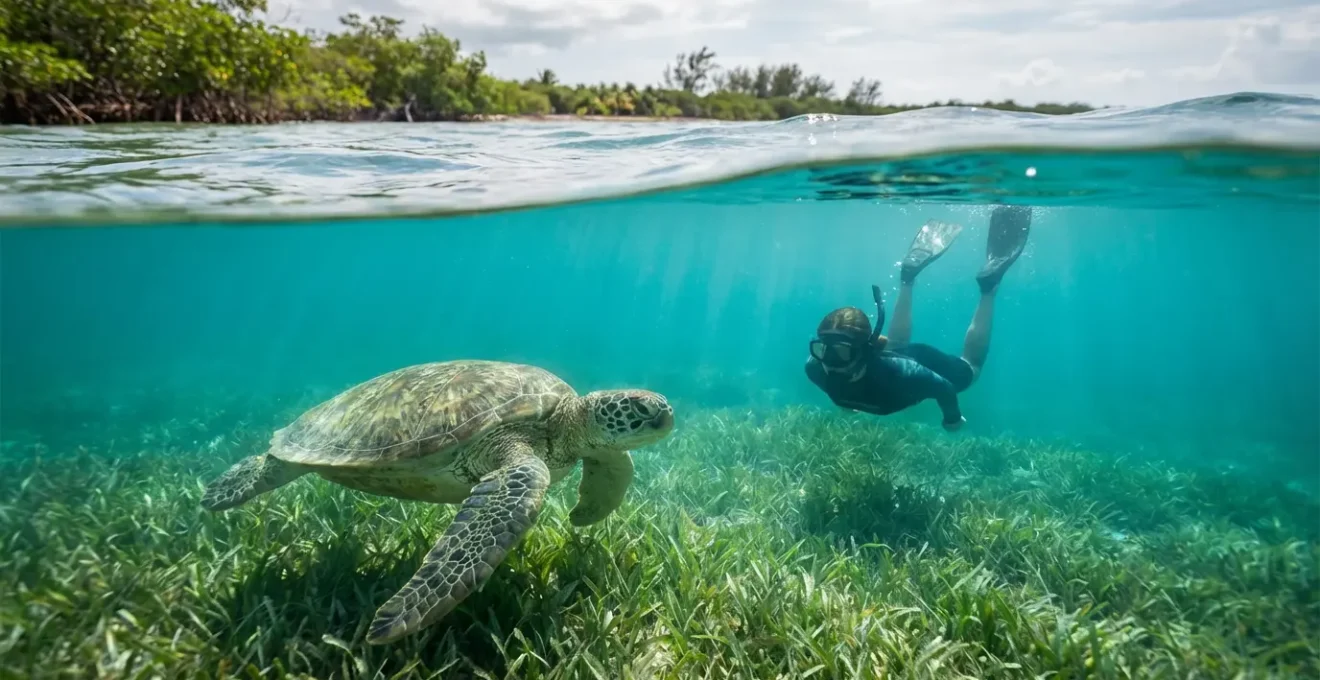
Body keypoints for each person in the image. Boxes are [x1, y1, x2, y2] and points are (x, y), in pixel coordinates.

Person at [805, 205, 1033, 431]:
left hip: (921, 361)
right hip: (889, 359)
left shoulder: (907, 375)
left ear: (864, 350)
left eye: (842, 353)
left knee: (971, 368)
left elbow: (945, 388)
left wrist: (952, 419)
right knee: (895, 347)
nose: (830, 363)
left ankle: (988, 287)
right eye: (823, 350)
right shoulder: (815, 368)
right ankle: (907, 278)